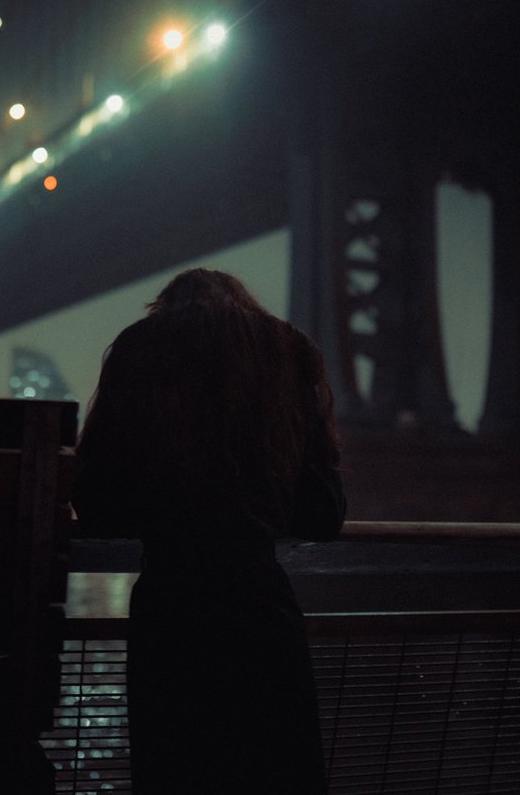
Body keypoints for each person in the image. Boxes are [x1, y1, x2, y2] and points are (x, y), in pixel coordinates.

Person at [73, 268, 345, 794]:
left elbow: (97, 503)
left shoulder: (137, 348)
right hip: (261, 609)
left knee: (177, 770)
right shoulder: (290, 351)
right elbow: (323, 514)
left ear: (164, 308)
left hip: (171, 614)